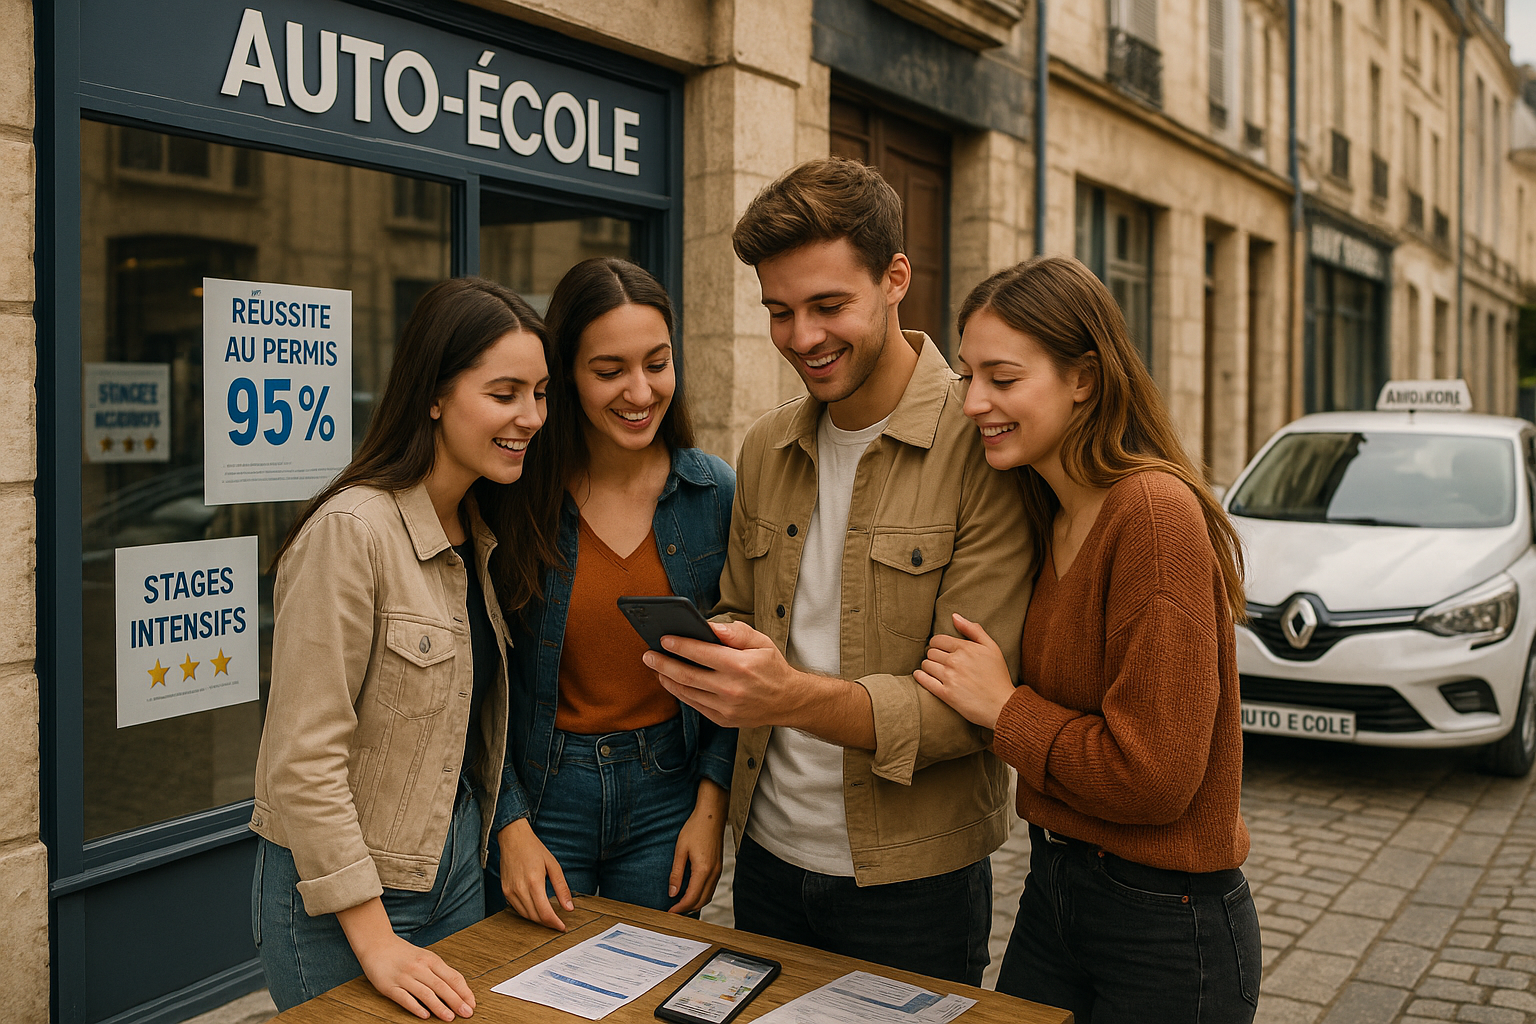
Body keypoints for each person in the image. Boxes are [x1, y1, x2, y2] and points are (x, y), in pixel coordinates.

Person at [644, 158, 1032, 985]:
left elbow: (972, 713)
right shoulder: (765, 444)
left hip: (914, 877)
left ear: (896, 278)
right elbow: (744, 612)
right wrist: (717, 650)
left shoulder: (984, 444)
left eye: (828, 306)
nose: (802, 338)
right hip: (769, 858)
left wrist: (785, 694)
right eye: (779, 312)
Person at [913, 255, 1261, 1021]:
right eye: (968, 376)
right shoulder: (1050, 512)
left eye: (1002, 380)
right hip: (1057, 893)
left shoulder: (1153, 517)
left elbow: (1158, 776)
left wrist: (1006, 709)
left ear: (1085, 379)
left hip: (1166, 927)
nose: (974, 403)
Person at [250, 277, 554, 1019]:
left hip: (450, 872)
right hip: (338, 900)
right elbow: (302, 760)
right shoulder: (352, 533)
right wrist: (375, 937)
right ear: (434, 396)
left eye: (541, 393)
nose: (530, 417)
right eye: (505, 392)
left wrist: (507, 827)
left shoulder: (477, 529)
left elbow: (462, 725)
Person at [489, 258, 736, 930]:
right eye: (609, 371)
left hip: (667, 794)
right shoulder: (516, 494)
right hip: (545, 793)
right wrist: (508, 826)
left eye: (657, 363)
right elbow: (481, 682)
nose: (639, 390)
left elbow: (736, 674)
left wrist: (710, 814)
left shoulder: (714, 494)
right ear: (564, 374)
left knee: (651, 988)